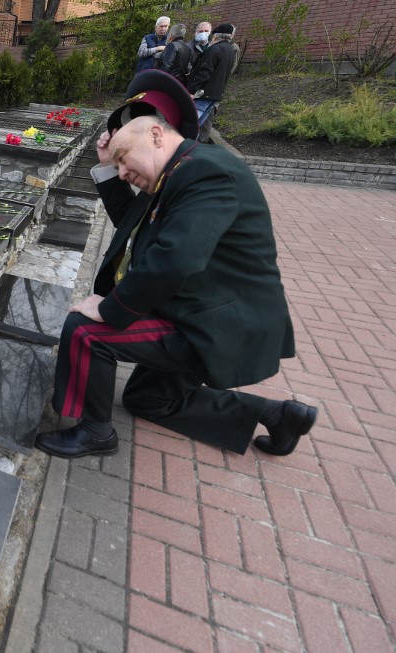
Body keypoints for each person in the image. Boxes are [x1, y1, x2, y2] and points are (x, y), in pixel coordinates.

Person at [34, 69, 317, 460]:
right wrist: (105, 164)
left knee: (86, 330)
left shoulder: (206, 172)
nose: (122, 172)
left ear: (155, 135)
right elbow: (136, 230)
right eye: (116, 165)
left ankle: (95, 432)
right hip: (197, 308)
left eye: (123, 159)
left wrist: (109, 309)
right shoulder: (178, 171)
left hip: (214, 323)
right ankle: (277, 415)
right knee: (146, 399)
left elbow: (175, 258)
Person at [188, 23, 237, 142]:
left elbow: (204, 72)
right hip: (216, 94)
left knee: (192, 123)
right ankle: (192, 147)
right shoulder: (230, 50)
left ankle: (185, 146)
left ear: (216, 36)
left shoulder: (215, 49)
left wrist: (192, 90)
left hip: (204, 93)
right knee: (200, 124)